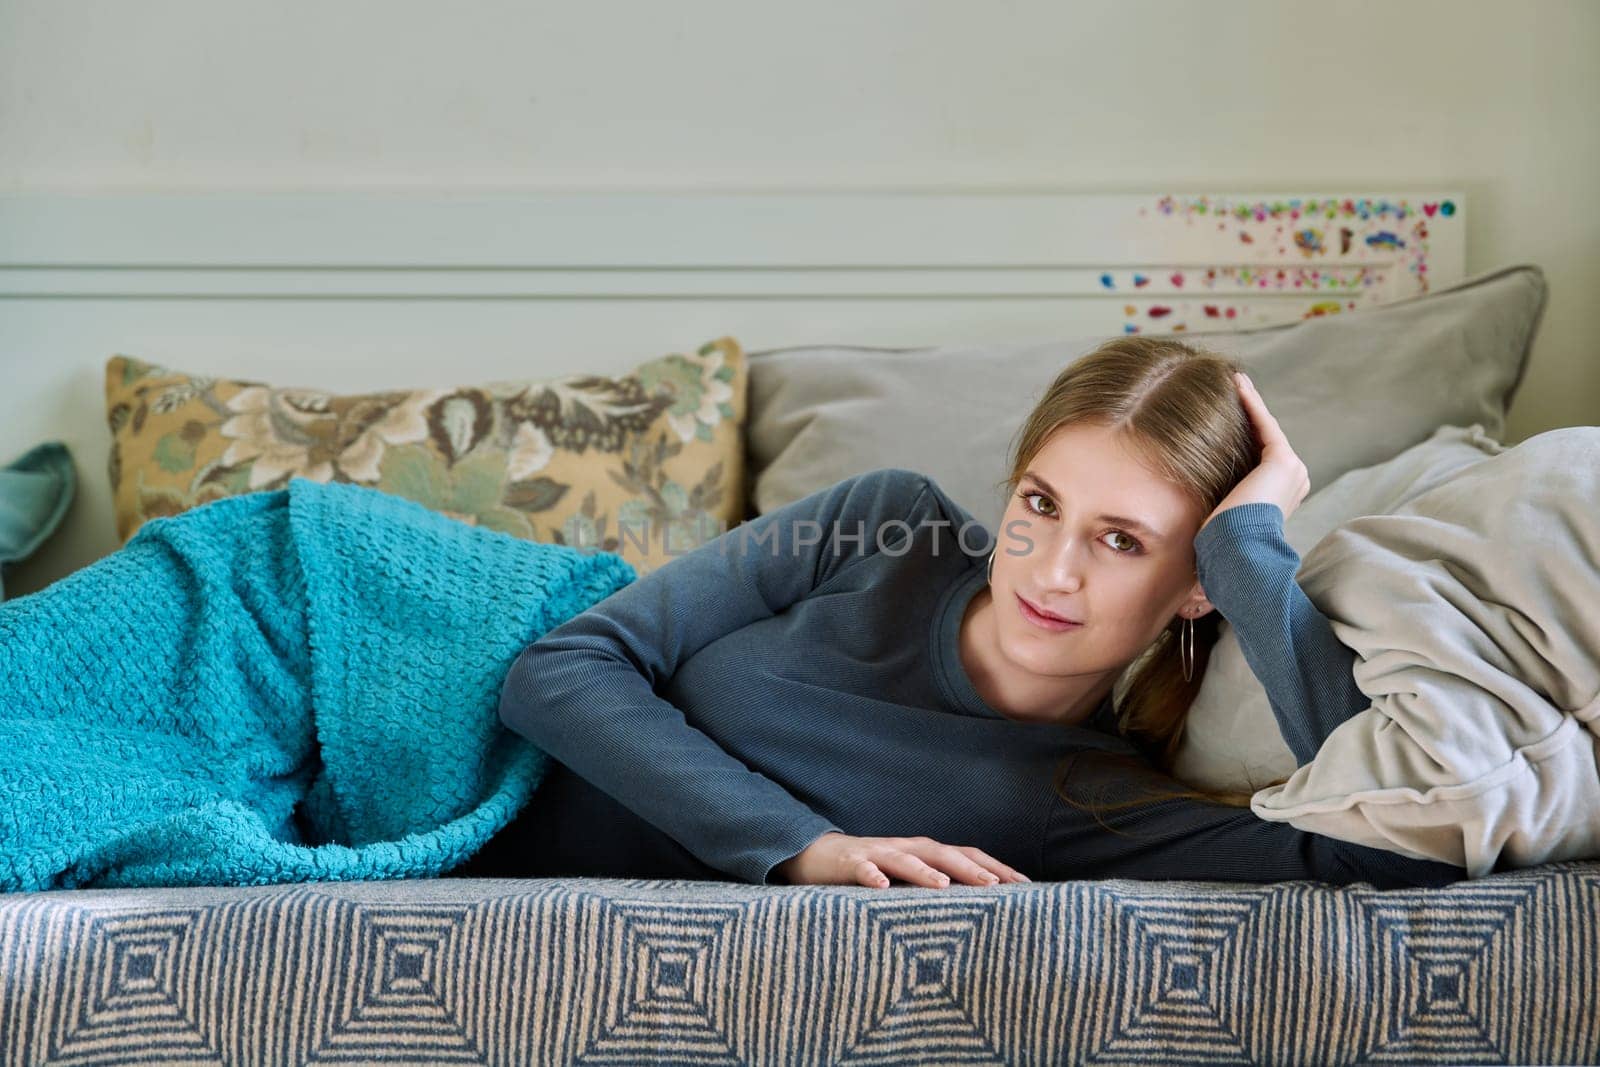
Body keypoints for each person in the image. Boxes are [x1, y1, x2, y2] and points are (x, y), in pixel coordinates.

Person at [460, 337, 1467, 891]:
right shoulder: (886, 522)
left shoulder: (1084, 797)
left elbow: (1379, 843)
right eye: (1039, 503)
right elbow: (563, 664)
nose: (1051, 568)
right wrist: (804, 845)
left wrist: (1251, 551)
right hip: (434, 658)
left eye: (1121, 540)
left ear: (1194, 578)